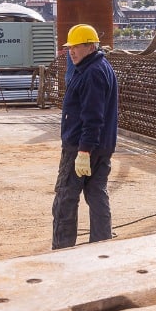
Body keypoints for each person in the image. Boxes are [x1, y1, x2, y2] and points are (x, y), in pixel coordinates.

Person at [52, 23, 119, 249]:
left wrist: (83, 151)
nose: (72, 51)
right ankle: (101, 246)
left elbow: (93, 117)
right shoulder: (99, 67)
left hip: (82, 148)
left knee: (66, 199)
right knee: (97, 194)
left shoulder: (92, 73)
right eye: (70, 47)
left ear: (90, 47)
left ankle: (62, 249)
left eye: (77, 47)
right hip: (100, 147)